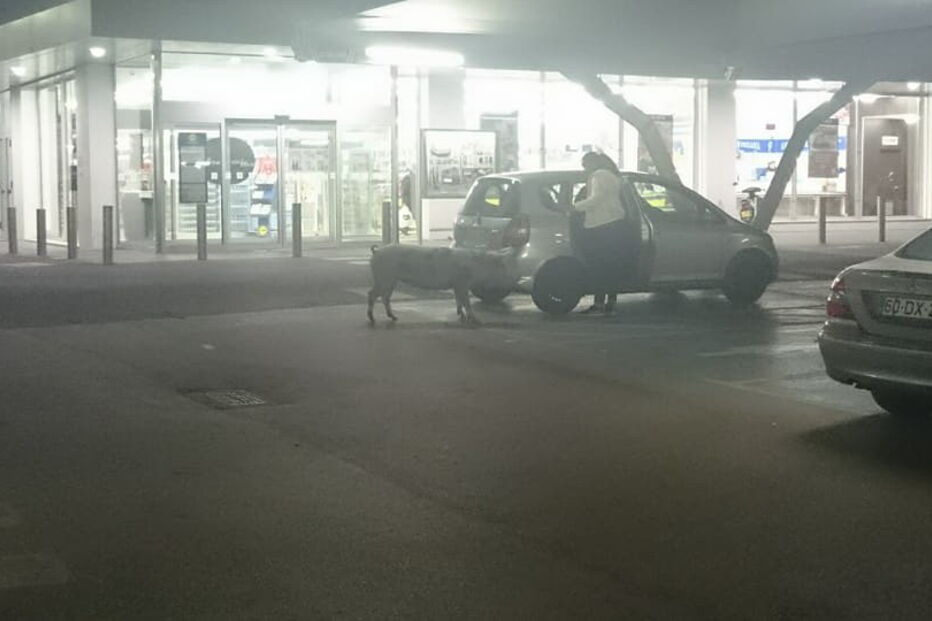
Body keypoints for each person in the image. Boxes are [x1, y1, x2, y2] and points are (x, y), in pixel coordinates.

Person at [572, 152, 628, 314]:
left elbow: (596, 198)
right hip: (615, 224)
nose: (584, 169)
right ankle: (611, 301)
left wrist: (575, 207)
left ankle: (599, 303)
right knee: (611, 265)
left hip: (600, 225)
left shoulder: (598, 175)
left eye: (585, 165)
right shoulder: (613, 176)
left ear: (592, 163)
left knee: (599, 266)